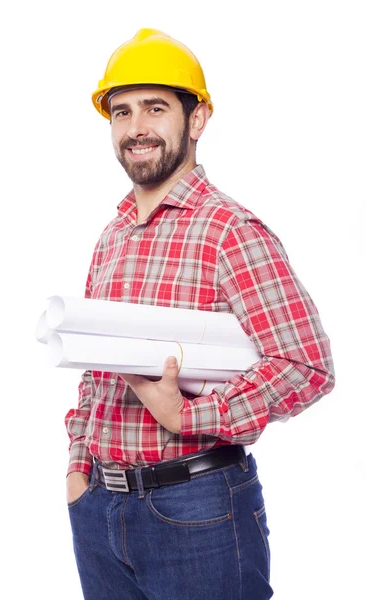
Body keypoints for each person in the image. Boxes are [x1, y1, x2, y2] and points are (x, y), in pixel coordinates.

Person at [64, 28, 335, 600]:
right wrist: (77, 471)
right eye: (121, 111)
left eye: (155, 108)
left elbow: (306, 365)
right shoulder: (112, 236)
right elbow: (96, 369)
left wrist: (190, 416)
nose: (135, 127)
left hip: (196, 511)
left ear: (198, 118)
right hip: (98, 511)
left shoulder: (229, 231)